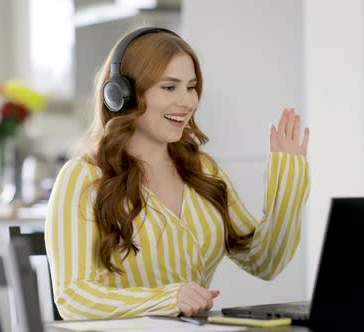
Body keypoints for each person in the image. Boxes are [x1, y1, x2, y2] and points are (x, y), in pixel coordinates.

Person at [45, 26, 310, 320]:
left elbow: (265, 262)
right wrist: (169, 298)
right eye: (169, 87)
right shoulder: (82, 178)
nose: (187, 102)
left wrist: (288, 180)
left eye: (191, 86)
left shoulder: (204, 171)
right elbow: (73, 298)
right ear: (122, 95)